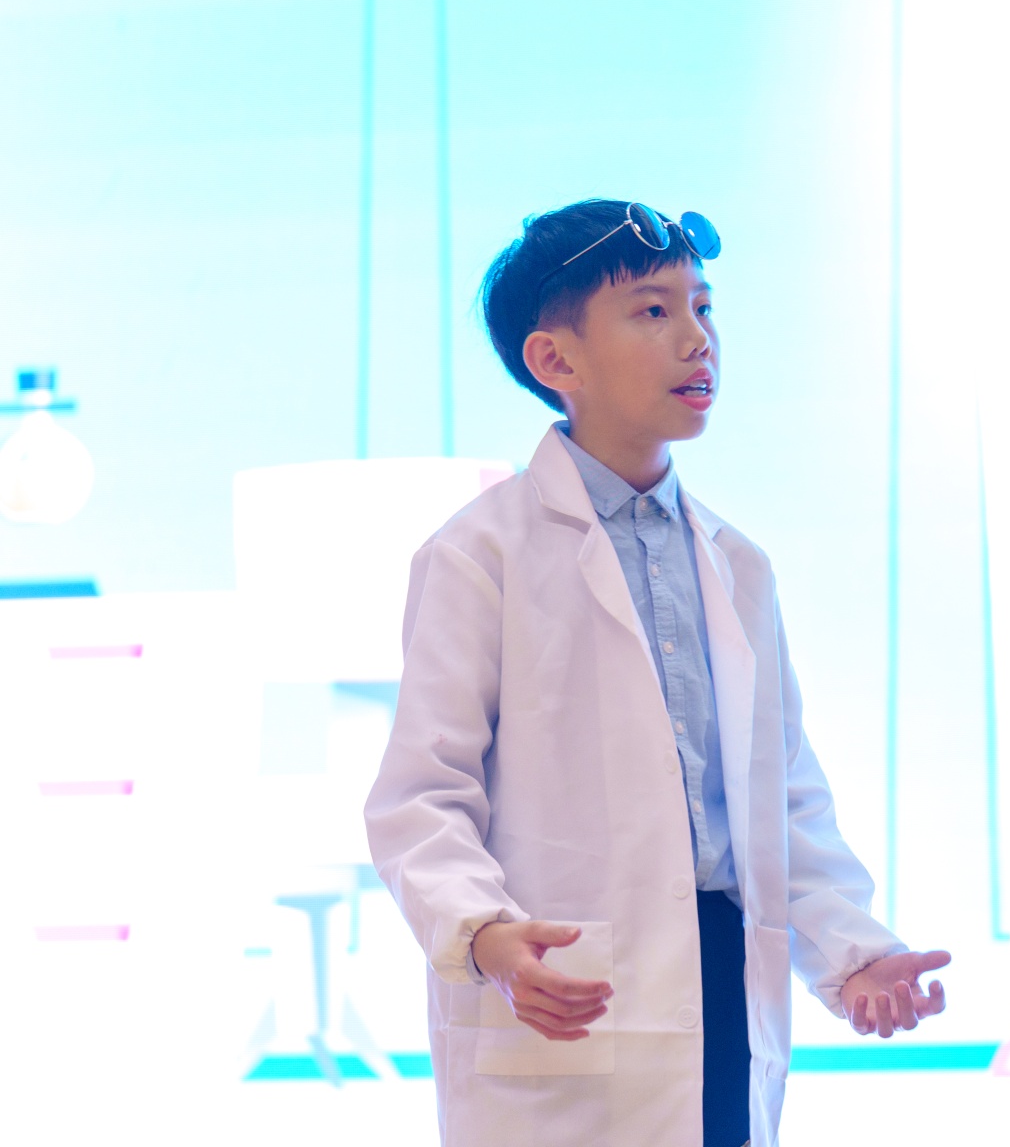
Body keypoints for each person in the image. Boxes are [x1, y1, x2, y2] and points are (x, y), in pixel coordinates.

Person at [364, 199, 949, 1147]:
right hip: (562, 987)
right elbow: (421, 797)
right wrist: (486, 932)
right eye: (653, 310)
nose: (697, 338)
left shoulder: (738, 564)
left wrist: (853, 954)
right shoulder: (479, 557)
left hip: (723, 984)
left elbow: (782, 800)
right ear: (555, 361)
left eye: (703, 307)